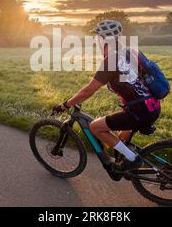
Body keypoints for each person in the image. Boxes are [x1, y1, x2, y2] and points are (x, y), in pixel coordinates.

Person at [53, 20, 161, 172]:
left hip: (139, 111)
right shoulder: (129, 52)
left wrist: (65, 104)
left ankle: (133, 159)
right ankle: (123, 162)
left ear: (102, 39)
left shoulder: (111, 59)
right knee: (120, 141)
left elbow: (88, 91)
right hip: (152, 106)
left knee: (95, 127)